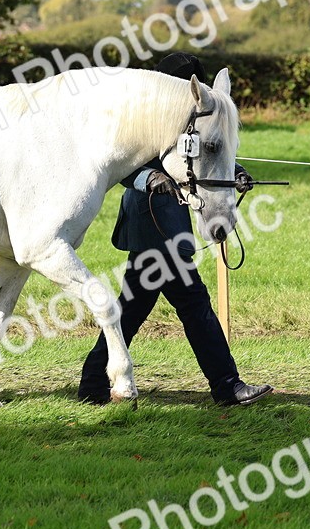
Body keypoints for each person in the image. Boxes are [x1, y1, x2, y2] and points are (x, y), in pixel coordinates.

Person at [78, 52, 274, 407]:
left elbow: (201, 161)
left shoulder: (182, 121)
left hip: (169, 225)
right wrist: (149, 177)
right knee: (192, 304)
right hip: (150, 220)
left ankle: (92, 382)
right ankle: (227, 386)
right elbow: (117, 168)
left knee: (133, 309)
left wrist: (235, 174)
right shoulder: (142, 121)